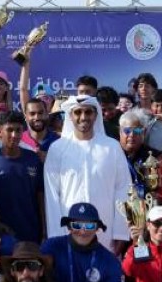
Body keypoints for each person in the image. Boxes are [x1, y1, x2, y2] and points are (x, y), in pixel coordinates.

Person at [43, 96, 132, 251]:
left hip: (105, 230)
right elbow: (52, 196)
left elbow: (123, 189)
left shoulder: (112, 147)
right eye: (77, 112)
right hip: (68, 231)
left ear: (96, 115)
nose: (83, 117)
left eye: (88, 112)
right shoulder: (57, 149)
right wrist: (56, 235)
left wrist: (120, 232)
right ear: (70, 116)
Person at [0, 112, 45, 243]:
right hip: (1, 234)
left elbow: (40, 196)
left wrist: (44, 229)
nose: (14, 135)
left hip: (31, 231)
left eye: (18, 130)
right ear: (0, 131)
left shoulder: (33, 159)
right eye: (9, 130)